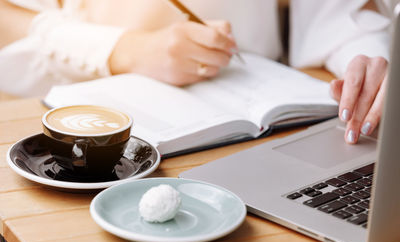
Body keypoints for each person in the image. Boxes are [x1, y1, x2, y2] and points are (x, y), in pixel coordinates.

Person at [0, 0, 394, 144]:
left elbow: (335, 14)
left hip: (266, 127)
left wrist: (368, 60)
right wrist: (124, 49)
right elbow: (9, 20)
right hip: (102, 134)